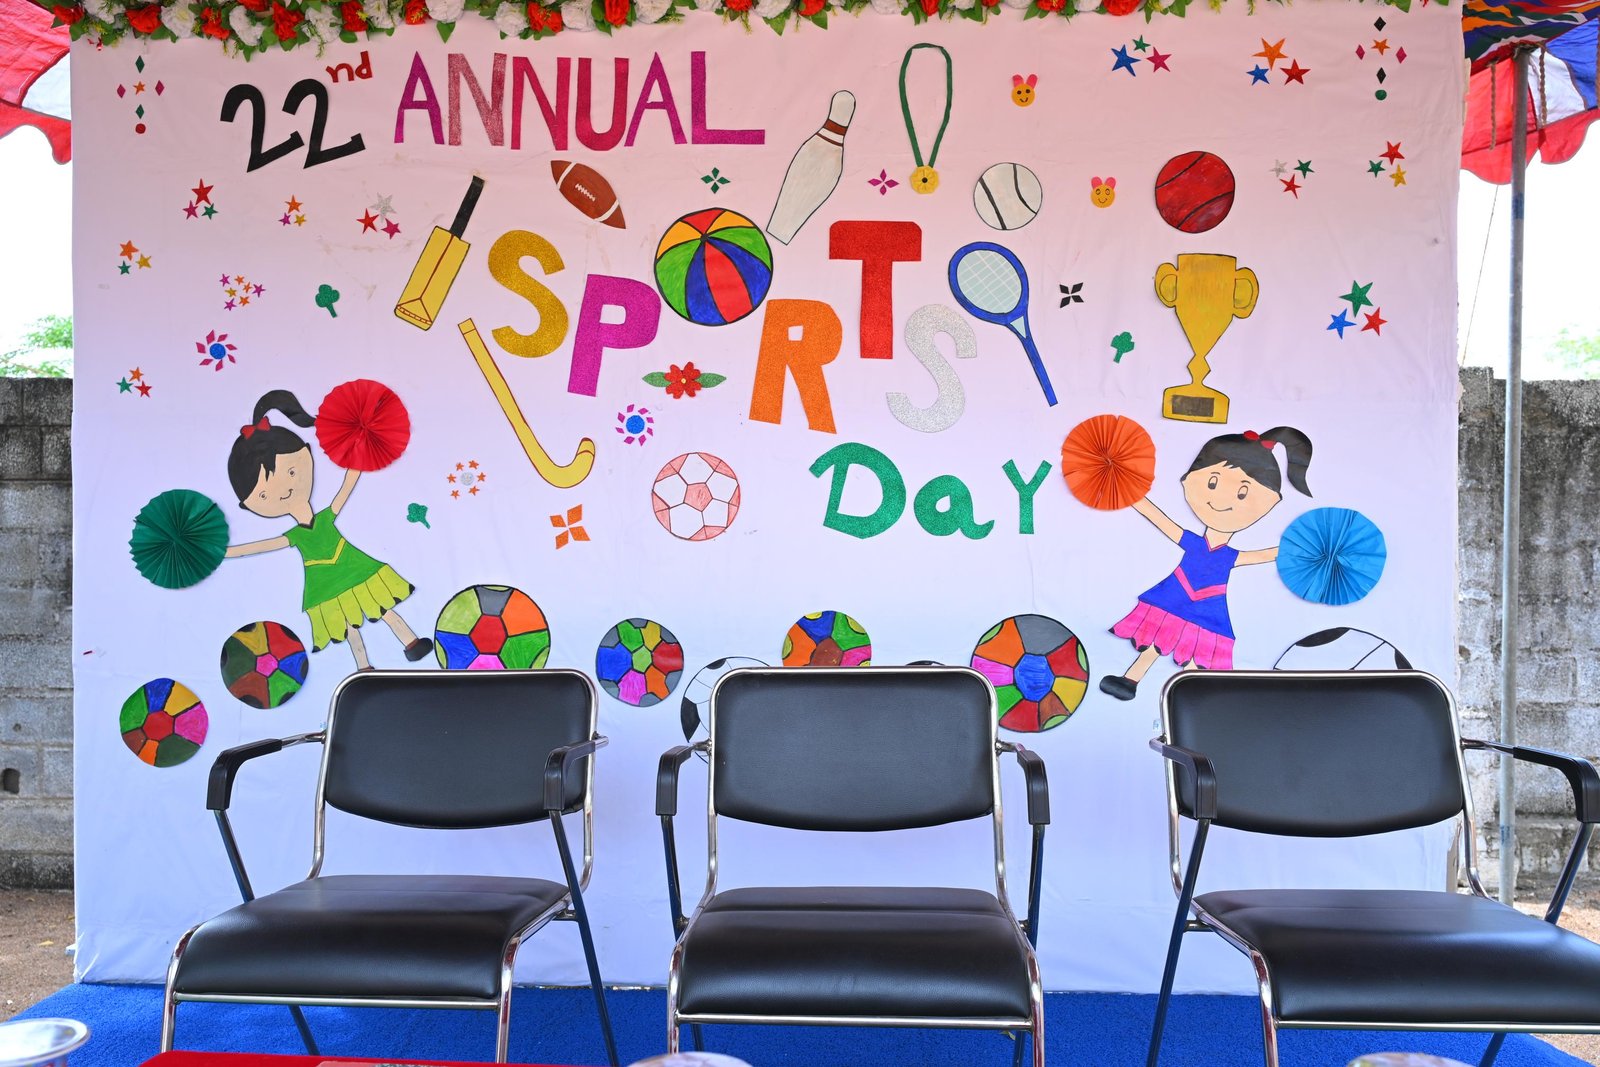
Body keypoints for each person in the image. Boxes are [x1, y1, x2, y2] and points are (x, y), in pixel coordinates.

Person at [1098, 426, 1312, 701]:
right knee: (1156, 639)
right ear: (1189, 481)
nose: (1222, 500)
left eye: (1243, 494)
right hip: (1174, 595)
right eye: (1212, 483)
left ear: (1269, 503)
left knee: (1195, 652)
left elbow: (1264, 555)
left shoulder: (1229, 556)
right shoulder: (1195, 543)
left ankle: (1192, 693)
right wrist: (1130, 492)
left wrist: (1299, 548)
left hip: (1206, 605)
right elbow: (1160, 520)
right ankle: (1131, 680)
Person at [223, 389, 432, 671]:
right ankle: (363, 666)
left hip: (352, 567)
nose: (284, 490)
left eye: (292, 472)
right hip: (324, 583)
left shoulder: (324, 518)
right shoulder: (296, 536)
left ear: (307, 456)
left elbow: (344, 490)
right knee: (348, 627)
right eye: (264, 495)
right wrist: (224, 552)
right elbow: (261, 546)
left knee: (381, 607)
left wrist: (358, 455)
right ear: (248, 506)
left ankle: (411, 643)